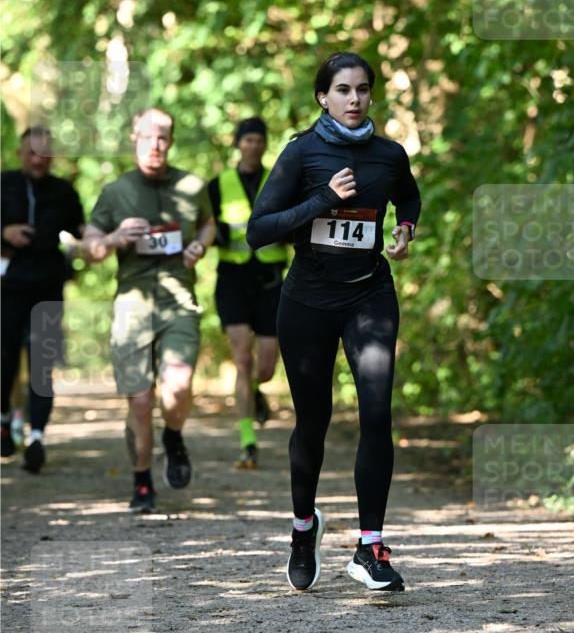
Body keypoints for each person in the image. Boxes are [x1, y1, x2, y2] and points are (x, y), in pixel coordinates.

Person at [247, 52, 421, 592]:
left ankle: (371, 547)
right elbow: (259, 230)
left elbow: (408, 193)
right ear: (323, 96)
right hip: (307, 301)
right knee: (313, 421)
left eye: (363, 90)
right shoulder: (302, 152)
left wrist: (406, 226)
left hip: (369, 295)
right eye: (343, 90)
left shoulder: (388, 155)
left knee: (376, 412)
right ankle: (304, 528)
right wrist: (323, 199)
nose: (355, 99)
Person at [82, 108, 215, 514]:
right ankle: (142, 482)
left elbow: (208, 224)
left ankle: (173, 437)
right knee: (140, 403)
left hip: (179, 300)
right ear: (133, 137)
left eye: (162, 138)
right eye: (147, 137)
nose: (155, 145)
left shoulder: (192, 185)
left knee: (177, 387)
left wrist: (200, 245)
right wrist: (116, 237)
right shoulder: (115, 192)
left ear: (171, 141)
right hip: (133, 306)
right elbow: (89, 249)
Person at [1, 126, 85, 473]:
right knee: (4, 358)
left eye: (45, 153)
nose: (38, 159)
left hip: (48, 286)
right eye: (32, 152)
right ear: (21, 154)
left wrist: (103, 241)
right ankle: (4, 420)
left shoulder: (65, 192)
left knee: (42, 364)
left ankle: (36, 437)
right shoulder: (4, 184)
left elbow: (83, 232)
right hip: (8, 286)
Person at [208, 118, 287, 469]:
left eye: (259, 140)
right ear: (238, 144)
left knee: (266, 367)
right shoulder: (218, 184)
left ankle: (257, 391)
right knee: (242, 358)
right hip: (233, 281)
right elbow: (204, 225)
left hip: (271, 281)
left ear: (265, 144)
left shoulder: (282, 180)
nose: (253, 145)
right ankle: (248, 441)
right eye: (248, 140)